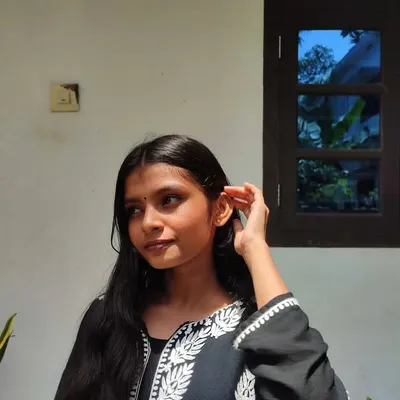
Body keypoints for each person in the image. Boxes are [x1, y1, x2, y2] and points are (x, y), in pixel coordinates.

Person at [54, 134, 348, 400]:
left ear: (220, 209)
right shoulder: (109, 319)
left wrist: (256, 248)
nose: (148, 222)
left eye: (169, 200)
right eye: (135, 210)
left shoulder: (255, 331)